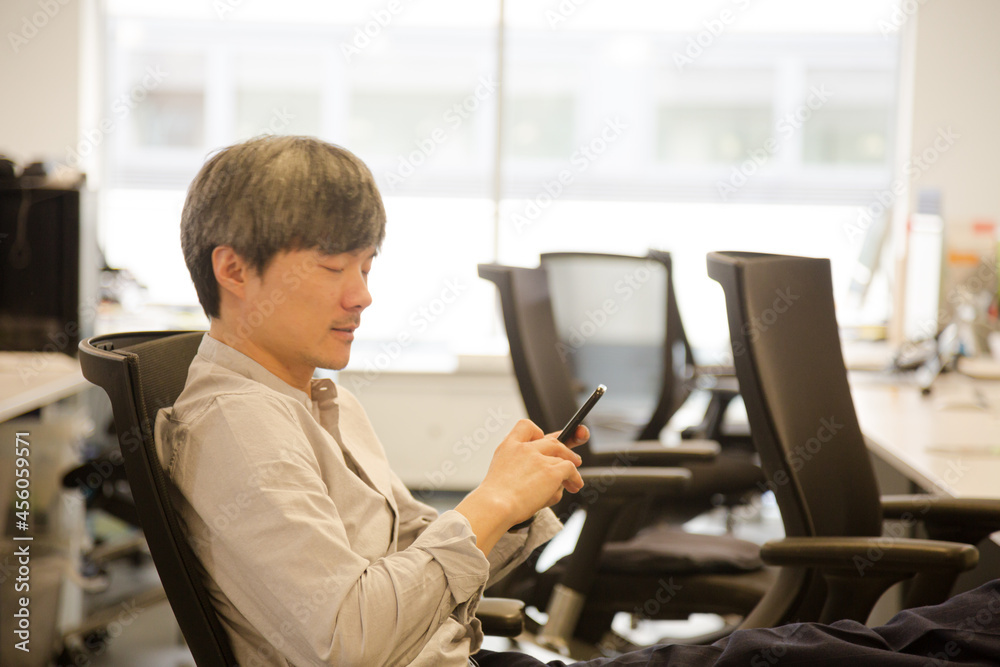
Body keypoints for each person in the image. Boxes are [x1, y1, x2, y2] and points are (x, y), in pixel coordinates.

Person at [156, 134, 1000, 667]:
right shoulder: (241, 426)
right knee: (819, 654)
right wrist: (486, 506)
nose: (362, 296)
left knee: (842, 643)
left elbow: (411, 561)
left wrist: (509, 504)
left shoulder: (310, 399)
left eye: (369, 267)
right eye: (335, 268)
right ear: (234, 269)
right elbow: (346, 641)